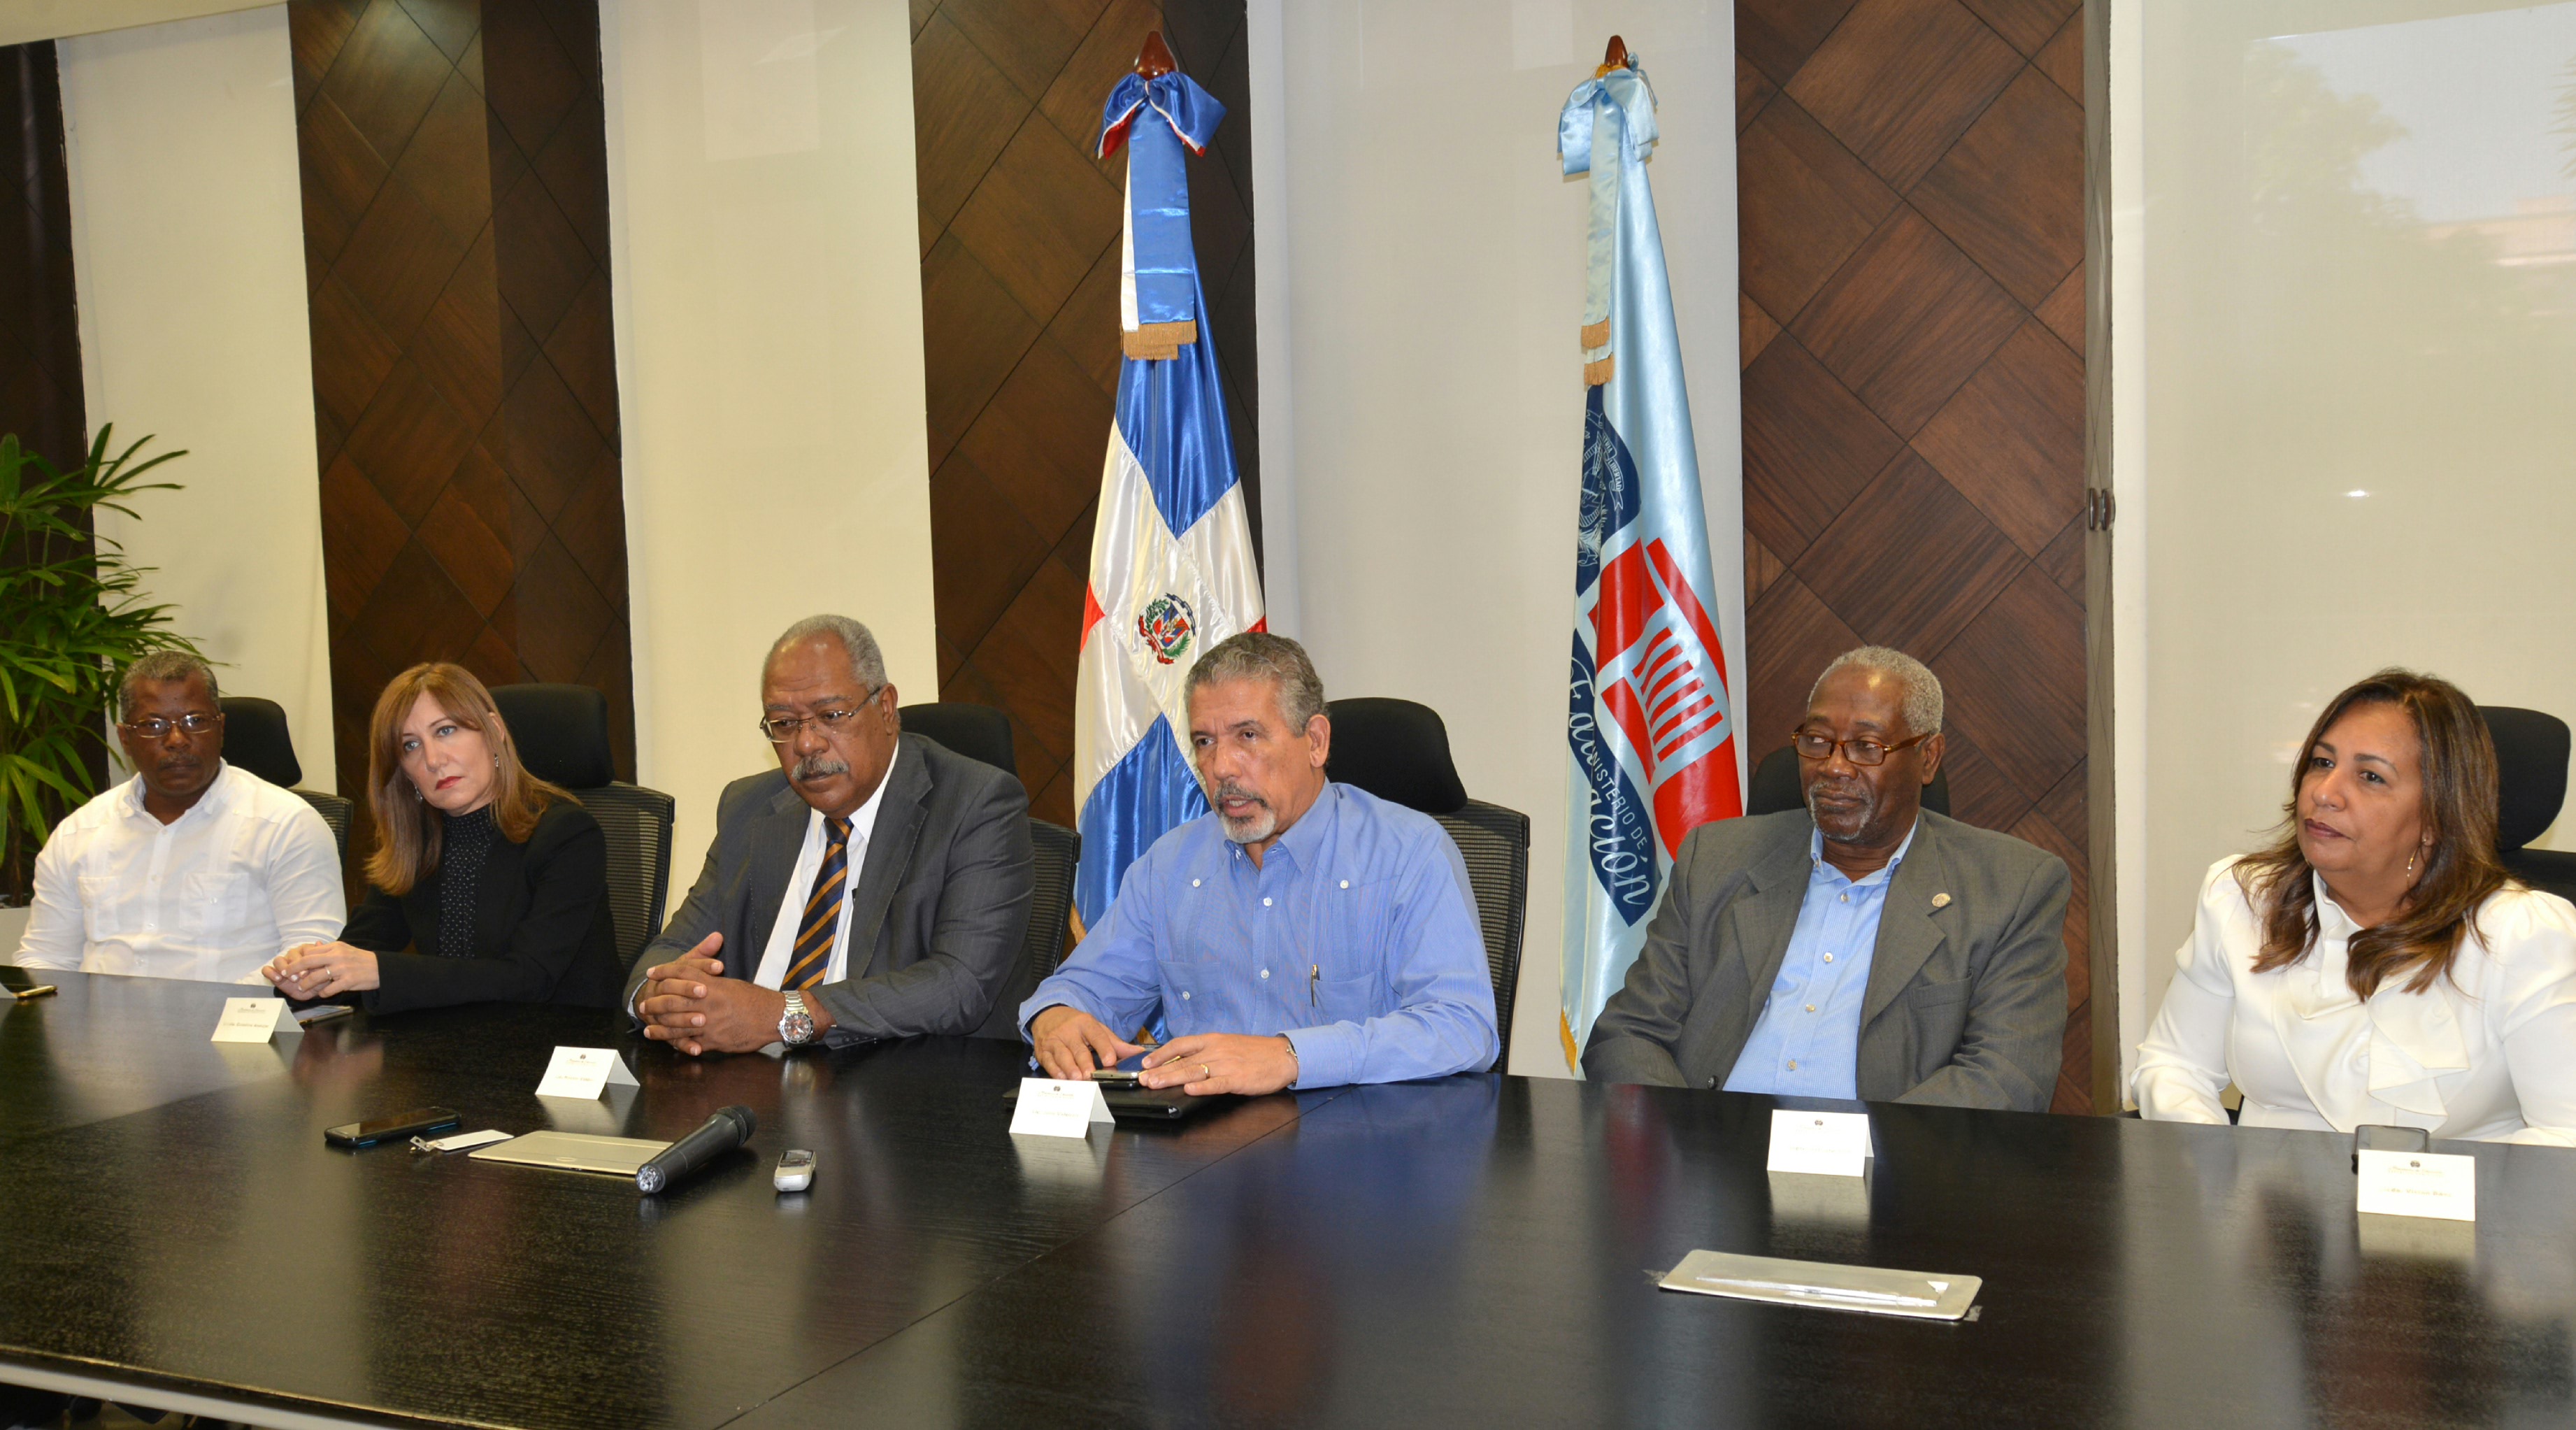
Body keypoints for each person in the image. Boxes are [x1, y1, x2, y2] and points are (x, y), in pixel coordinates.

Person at [1583, 646, 2070, 1110]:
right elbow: (1628, 1033)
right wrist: (1693, 1134)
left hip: (1882, 1175)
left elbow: (2006, 1077)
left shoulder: (2012, 888)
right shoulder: (1715, 861)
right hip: (1706, 1161)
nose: (1834, 767)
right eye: (1817, 741)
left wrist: (1850, 1149)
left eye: (1867, 746)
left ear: (1928, 757)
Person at [1022, 631, 1498, 1093]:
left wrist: (1291, 1056)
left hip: (1358, 1151)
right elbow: (1087, 989)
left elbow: (1463, 1027)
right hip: (1202, 1154)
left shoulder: (1409, 854)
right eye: (1205, 741)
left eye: (1247, 735)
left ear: (1315, 741)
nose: (1222, 766)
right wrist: (1056, 1015)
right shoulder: (1168, 866)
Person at [2135, 669, 2576, 1142]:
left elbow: (2564, 1135)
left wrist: (2442, 1204)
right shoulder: (2243, 898)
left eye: (2371, 776)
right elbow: (2174, 1066)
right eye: (2323, 762)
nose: (2324, 793)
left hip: (2458, 1210)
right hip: (2265, 1207)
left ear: (2436, 817)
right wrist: (2217, 1176)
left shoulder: (2522, 934)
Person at [627, 615, 1034, 1053]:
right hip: (752, 1084)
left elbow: (959, 985)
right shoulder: (749, 807)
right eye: (784, 724)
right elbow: (668, 951)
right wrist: (664, 998)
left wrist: (787, 1015)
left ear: (886, 709)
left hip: (900, 1083)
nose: (806, 744)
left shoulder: (977, 804)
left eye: (830, 715)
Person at [260, 664, 620, 1011]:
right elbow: (363, 948)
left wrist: (378, 971)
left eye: (446, 731)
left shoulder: (567, 834)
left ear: (494, 731)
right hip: (455, 1048)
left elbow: (531, 978)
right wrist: (315, 975)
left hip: (563, 1052)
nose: (433, 759)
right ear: (403, 772)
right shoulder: (417, 843)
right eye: (410, 746)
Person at [15, 651, 344, 982]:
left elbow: (311, 957)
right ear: (125, 739)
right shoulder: (79, 833)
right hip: (103, 1029)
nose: (177, 740)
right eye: (153, 725)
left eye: (195, 721)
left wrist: (213, 1018)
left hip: (236, 1026)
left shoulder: (287, 825)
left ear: (221, 728)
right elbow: (47, 957)